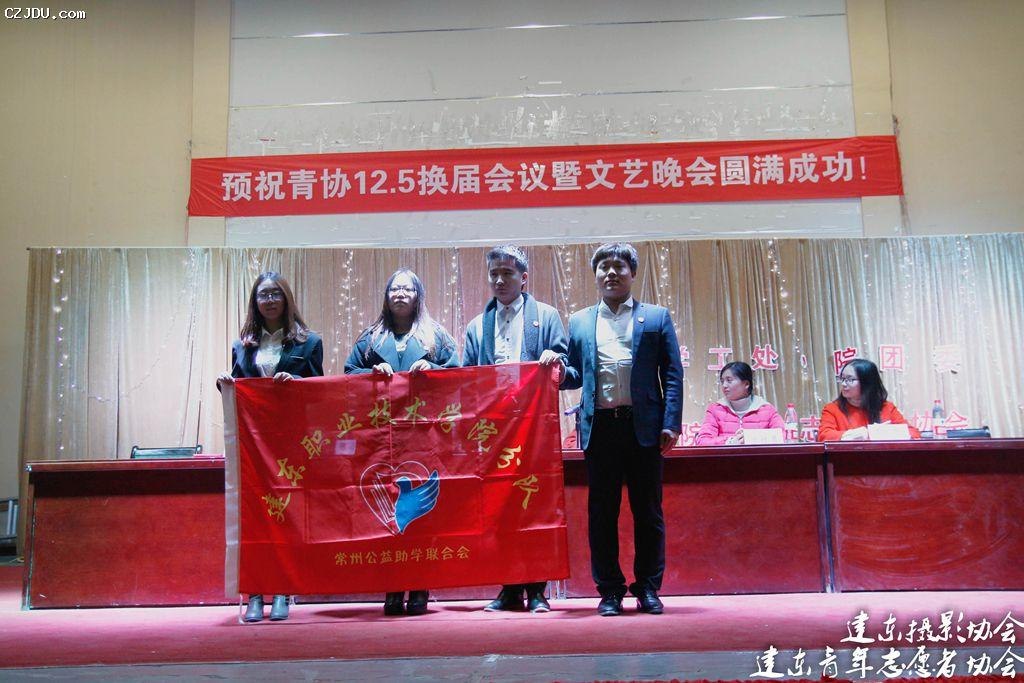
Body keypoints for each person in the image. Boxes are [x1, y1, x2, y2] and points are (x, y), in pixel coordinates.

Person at [562, 242, 683, 616]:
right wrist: (555, 371)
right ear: (595, 275)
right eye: (604, 267)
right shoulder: (580, 321)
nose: (611, 273)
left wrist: (671, 423)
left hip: (643, 428)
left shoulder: (656, 317)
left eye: (619, 266)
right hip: (600, 429)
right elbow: (575, 374)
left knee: (648, 512)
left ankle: (647, 587)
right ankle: (610, 590)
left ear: (633, 273)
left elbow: (672, 373)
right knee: (602, 514)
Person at [344, 268, 459, 616]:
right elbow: (348, 375)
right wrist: (371, 374)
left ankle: (420, 586)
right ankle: (393, 586)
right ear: (386, 296)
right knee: (387, 517)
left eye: (407, 289)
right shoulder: (370, 338)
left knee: (420, 516)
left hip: (423, 437)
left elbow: (459, 373)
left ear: (418, 295)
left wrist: (432, 370)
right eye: (394, 288)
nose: (400, 294)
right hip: (381, 439)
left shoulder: (436, 336)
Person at [462, 245, 567, 614]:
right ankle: (508, 588)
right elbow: (466, 379)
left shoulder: (546, 316)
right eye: (494, 274)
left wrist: (555, 361)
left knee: (535, 506)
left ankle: (537, 589)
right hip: (495, 431)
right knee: (500, 508)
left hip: (534, 427)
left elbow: (568, 369)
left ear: (524, 278)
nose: (499, 280)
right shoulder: (477, 325)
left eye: (507, 273)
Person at [217, 271, 324, 623]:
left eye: (276, 294)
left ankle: (281, 590)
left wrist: (297, 382)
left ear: (287, 298)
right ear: (255, 302)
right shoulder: (242, 345)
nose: (270, 300)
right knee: (255, 518)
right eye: (263, 295)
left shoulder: (309, 342)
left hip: (290, 443)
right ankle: (254, 593)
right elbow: (241, 388)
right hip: (253, 444)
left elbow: (320, 391)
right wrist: (227, 384)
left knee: (286, 515)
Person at [817, 358, 921, 441]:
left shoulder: (886, 408)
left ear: (867, 383)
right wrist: (854, 435)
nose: (843, 384)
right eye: (842, 379)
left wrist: (879, 433)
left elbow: (914, 434)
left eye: (850, 379)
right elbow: (824, 436)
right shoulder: (832, 409)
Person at [695, 361, 785, 445]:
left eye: (729, 380)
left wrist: (750, 438)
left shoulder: (767, 410)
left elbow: (780, 436)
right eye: (722, 381)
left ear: (746, 384)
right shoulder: (715, 409)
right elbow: (703, 441)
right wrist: (729, 441)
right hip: (725, 457)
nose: (724, 385)